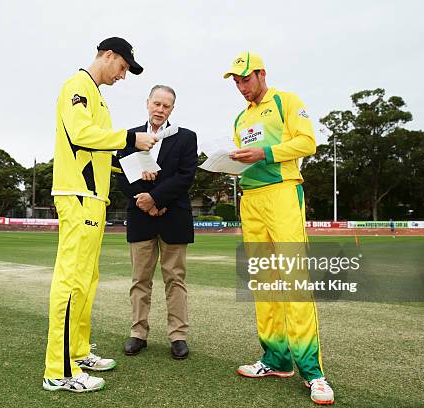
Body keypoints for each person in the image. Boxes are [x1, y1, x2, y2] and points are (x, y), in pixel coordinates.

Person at [43, 37, 158, 394]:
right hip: (77, 195)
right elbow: (81, 134)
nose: (123, 76)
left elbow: (96, 150)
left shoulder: (95, 93)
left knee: (86, 279)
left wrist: (136, 170)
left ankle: (77, 352)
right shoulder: (78, 86)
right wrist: (129, 138)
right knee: (71, 280)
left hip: (92, 197)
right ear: (108, 56)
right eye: (123, 67)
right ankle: (59, 371)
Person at [225, 51, 335, 405]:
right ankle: (276, 359)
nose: (241, 87)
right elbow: (245, 158)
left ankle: (314, 373)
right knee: (263, 283)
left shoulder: (287, 101)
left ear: (260, 74)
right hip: (251, 200)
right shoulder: (241, 118)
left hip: (284, 194)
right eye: (236, 82)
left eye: (245, 79)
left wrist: (264, 153)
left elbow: (307, 143)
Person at [115, 85, 198, 359]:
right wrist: (145, 201)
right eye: (157, 104)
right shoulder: (129, 137)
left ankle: (178, 336)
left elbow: (185, 177)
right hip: (141, 217)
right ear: (147, 103)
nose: (160, 110)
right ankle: (138, 333)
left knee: (175, 279)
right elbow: (121, 175)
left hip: (173, 217)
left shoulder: (186, 137)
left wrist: (156, 199)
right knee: (140, 279)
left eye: (166, 106)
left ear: (172, 109)